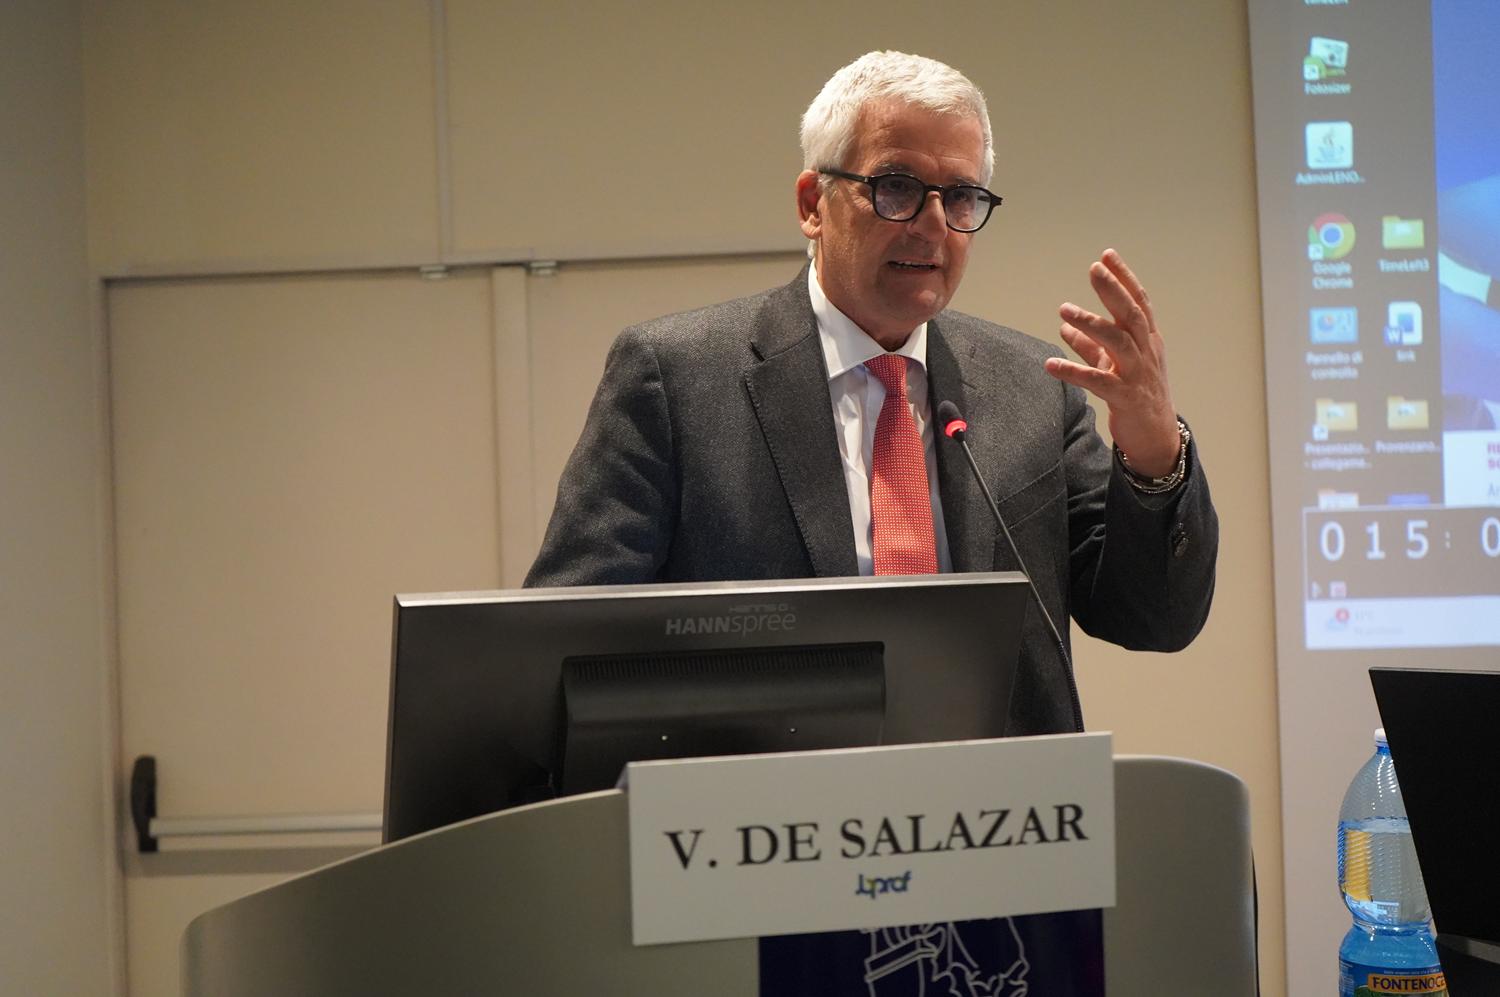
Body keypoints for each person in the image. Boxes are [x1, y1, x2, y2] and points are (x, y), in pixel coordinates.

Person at [525, 51, 1217, 736]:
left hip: (999, 800)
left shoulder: (1031, 387)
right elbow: (567, 640)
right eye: (897, 187)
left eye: (961, 196)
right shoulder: (677, 378)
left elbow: (1152, 617)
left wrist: (1154, 449)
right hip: (764, 797)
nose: (933, 223)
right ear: (812, 204)